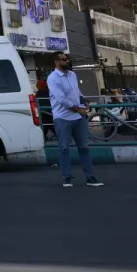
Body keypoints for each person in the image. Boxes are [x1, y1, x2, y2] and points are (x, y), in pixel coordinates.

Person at [48, 53, 102, 188]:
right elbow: (61, 99)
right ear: (56, 62)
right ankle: (67, 178)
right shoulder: (53, 78)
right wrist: (78, 109)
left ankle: (90, 178)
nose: (67, 61)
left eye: (67, 59)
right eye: (64, 59)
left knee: (84, 147)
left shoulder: (72, 75)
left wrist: (84, 101)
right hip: (62, 117)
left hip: (78, 117)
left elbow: (77, 92)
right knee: (64, 148)